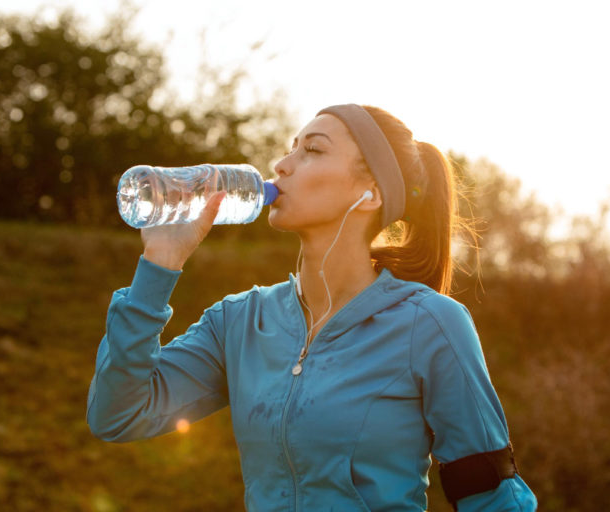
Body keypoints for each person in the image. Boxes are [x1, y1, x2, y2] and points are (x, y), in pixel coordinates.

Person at [87, 104, 537, 511]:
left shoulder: (430, 324)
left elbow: (491, 494)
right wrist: (159, 264)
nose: (281, 165)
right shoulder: (240, 321)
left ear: (371, 193)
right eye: (290, 149)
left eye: (312, 151)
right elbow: (118, 413)